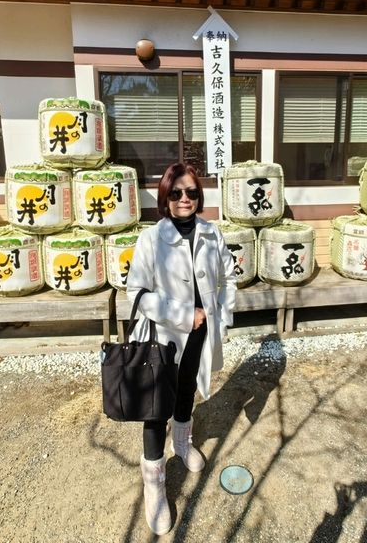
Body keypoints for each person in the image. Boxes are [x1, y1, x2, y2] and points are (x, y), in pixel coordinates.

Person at [126, 162, 237, 535]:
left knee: (187, 391)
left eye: (191, 192)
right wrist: (182, 314)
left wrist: (223, 316)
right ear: (165, 198)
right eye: (176, 193)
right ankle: (154, 485)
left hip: (200, 335)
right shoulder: (151, 239)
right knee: (156, 411)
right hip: (163, 337)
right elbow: (136, 293)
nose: (185, 199)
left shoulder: (211, 233)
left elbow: (227, 277)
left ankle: (183, 443)